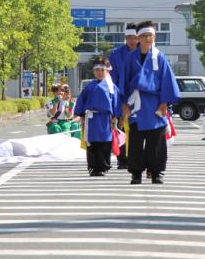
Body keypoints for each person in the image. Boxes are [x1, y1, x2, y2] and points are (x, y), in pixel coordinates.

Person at [122, 21, 181, 184]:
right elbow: (124, 81)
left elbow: (167, 80)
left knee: (156, 141)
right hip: (136, 104)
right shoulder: (130, 58)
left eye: (151, 36)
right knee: (135, 142)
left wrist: (164, 102)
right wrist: (125, 103)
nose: (148, 39)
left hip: (155, 103)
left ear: (155, 37)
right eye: (145, 36)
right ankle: (136, 173)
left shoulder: (159, 57)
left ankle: (156, 172)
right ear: (138, 38)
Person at [74, 57, 121, 176]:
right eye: (97, 70)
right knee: (92, 143)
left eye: (102, 70)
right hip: (91, 119)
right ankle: (93, 167)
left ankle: (103, 166)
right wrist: (82, 117)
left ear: (107, 71)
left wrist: (115, 117)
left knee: (105, 143)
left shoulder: (111, 87)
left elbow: (116, 102)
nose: (99, 73)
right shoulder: (89, 87)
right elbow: (82, 101)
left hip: (105, 119)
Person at [109, 22, 138, 169]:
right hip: (121, 95)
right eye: (129, 38)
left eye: (135, 38)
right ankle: (122, 159)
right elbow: (112, 78)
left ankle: (136, 158)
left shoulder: (146, 53)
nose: (132, 41)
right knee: (121, 126)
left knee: (137, 129)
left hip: (140, 96)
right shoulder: (116, 54)